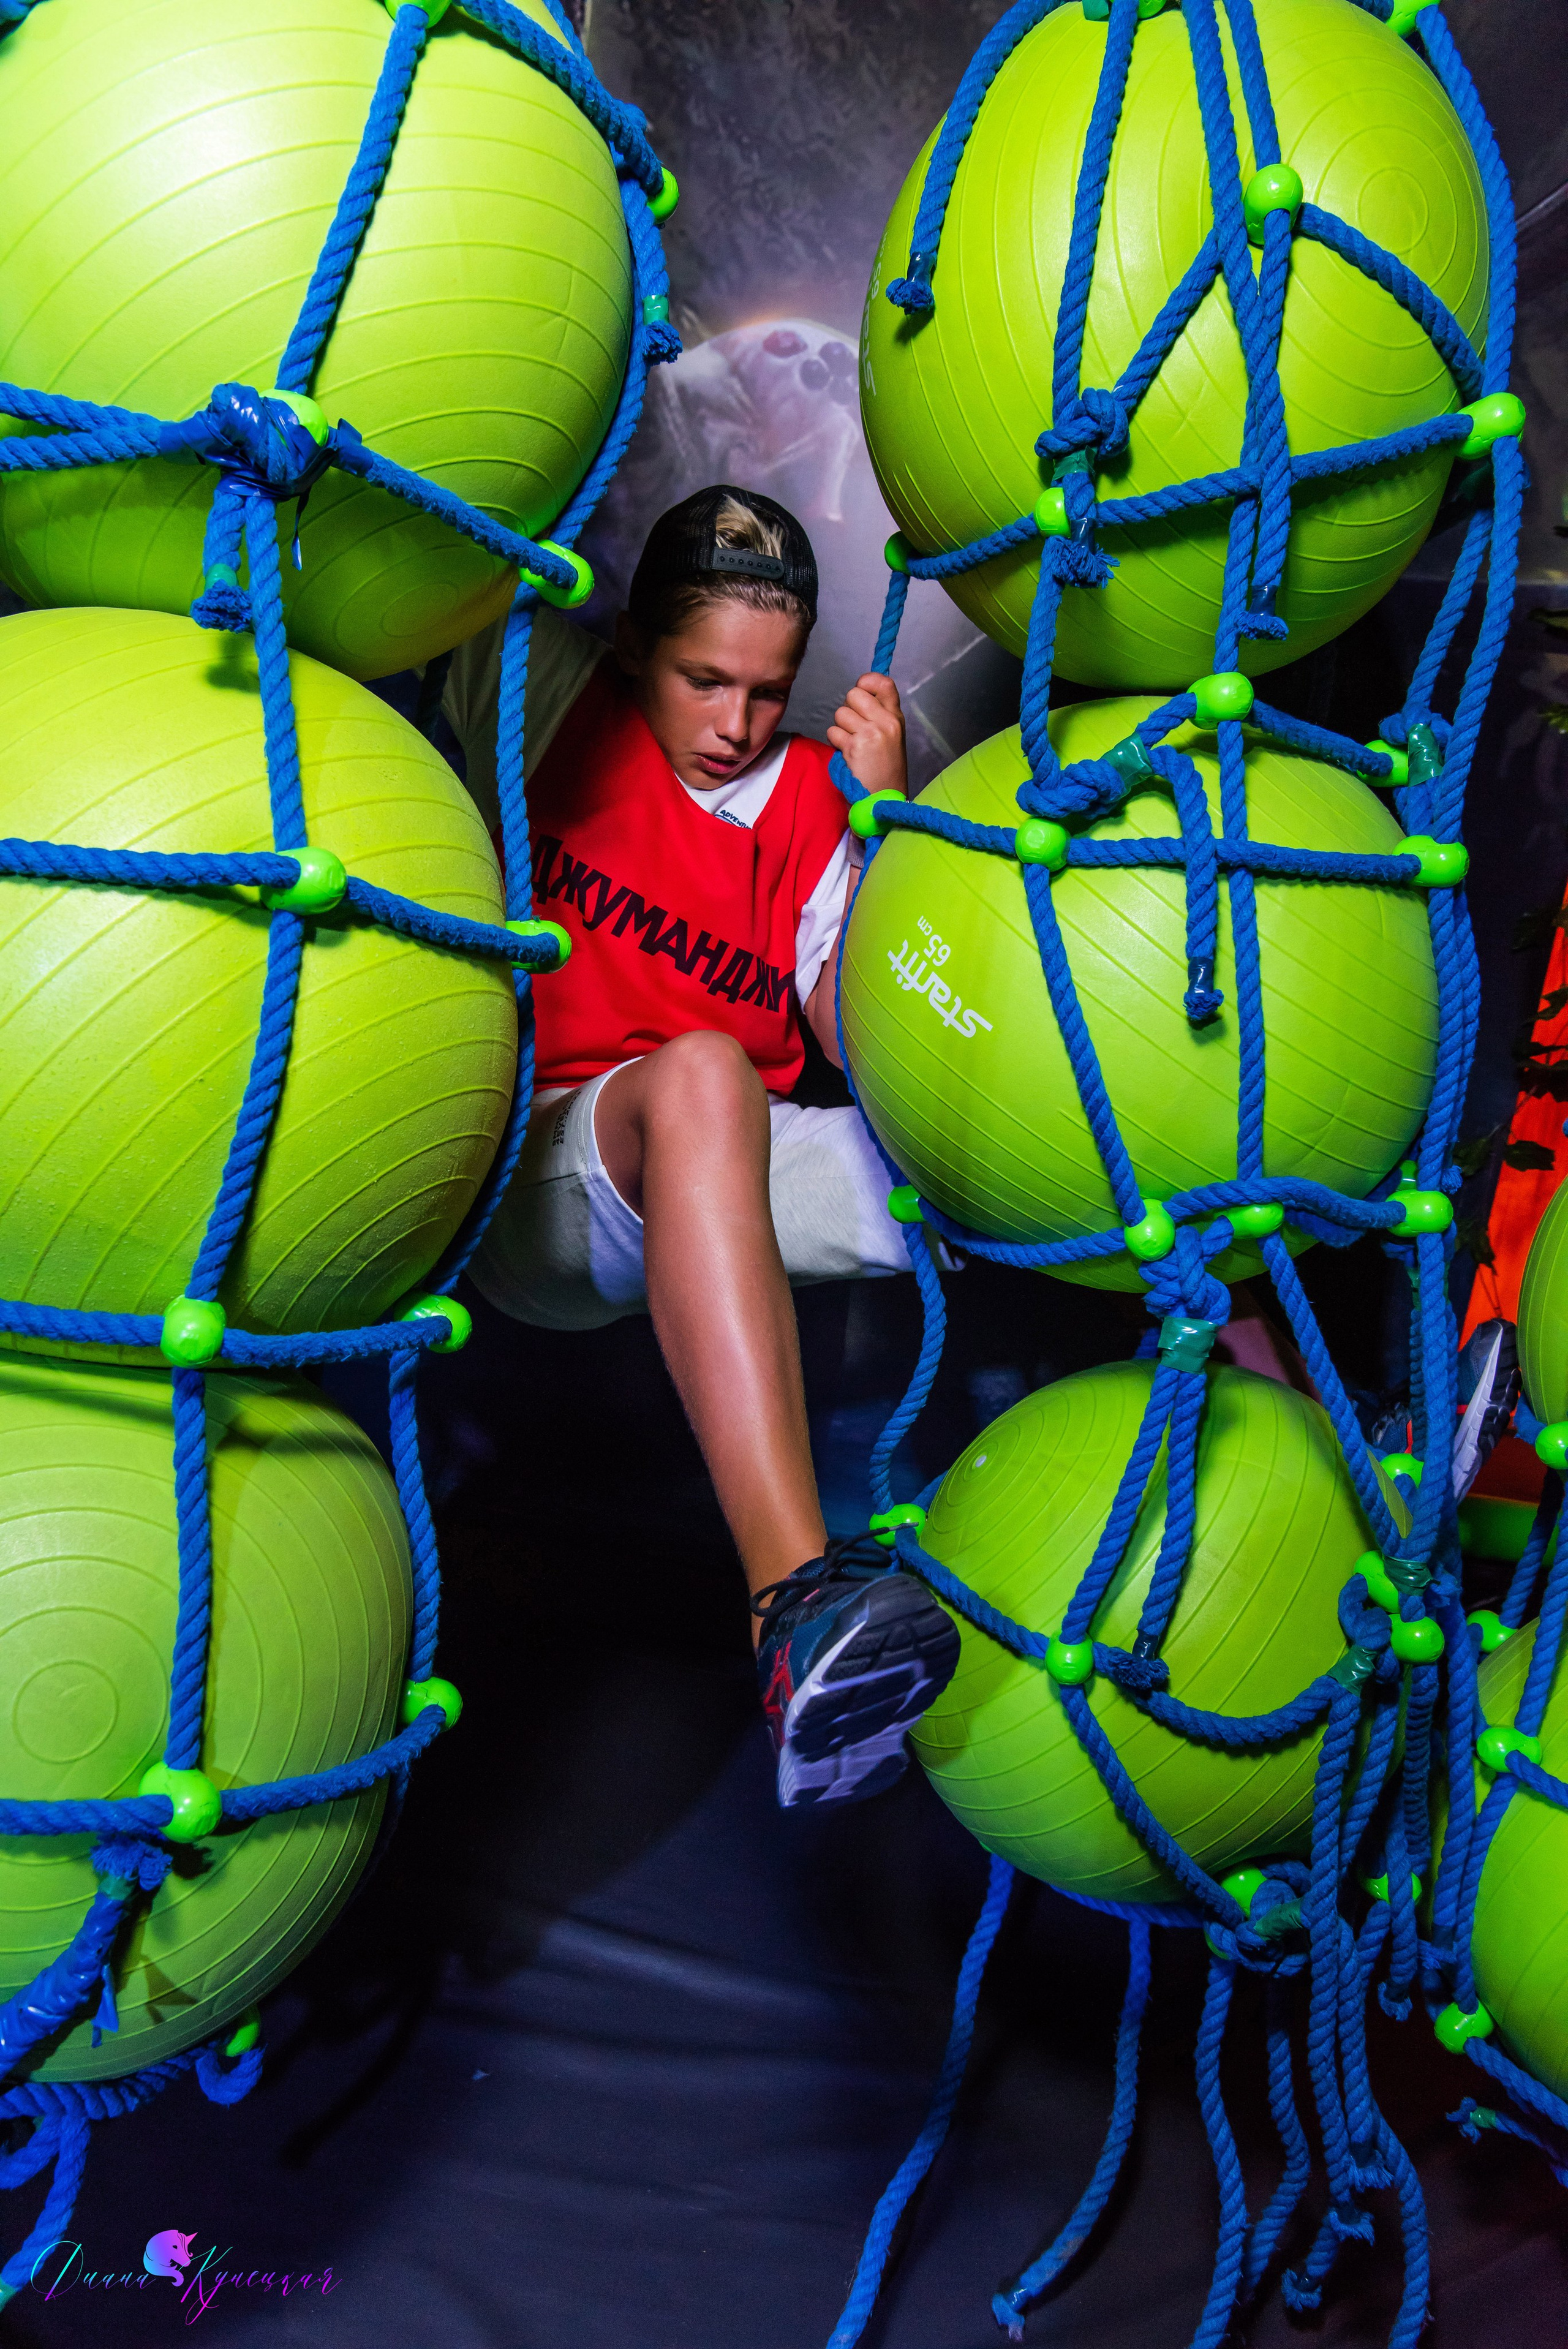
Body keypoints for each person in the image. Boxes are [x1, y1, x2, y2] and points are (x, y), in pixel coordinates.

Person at [442, 485, 960, 1807]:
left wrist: (880, 824)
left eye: (768, 691)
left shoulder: (805, 799)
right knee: (704, 1079)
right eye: (703, 680)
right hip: (543, 1185)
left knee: (991, 1138)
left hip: (723, 1183)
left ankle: (1313, 1394)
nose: (735, 725)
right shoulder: (549, 696)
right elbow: (445, 532)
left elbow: (853, 1035)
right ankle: (791, 1600)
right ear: (631, 647)